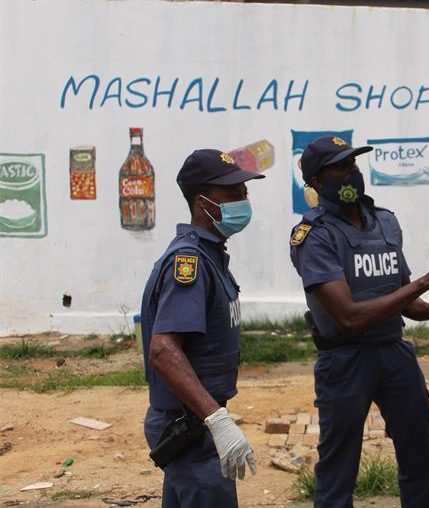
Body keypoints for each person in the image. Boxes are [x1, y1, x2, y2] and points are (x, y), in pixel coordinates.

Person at [289, 136, 429, 508]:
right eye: (342, 168)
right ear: (318, 182)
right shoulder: (313, 236)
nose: (353, 174)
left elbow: (402, 297)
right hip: (345, 360)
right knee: (339, 466)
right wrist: (424, 281)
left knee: (419, 449)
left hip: (393, 353)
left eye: (354, 165)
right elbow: (349, 318)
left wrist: (427, 310)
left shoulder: (385, 222)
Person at [140, 149, 264, 507]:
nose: (243, 200)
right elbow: (163, 350)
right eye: (232, 193)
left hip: (196, 422)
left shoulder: (209, 257)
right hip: (191, 426)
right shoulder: (189, 262)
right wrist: (218, 420)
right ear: (202, 202)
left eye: (244, 191)